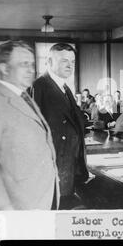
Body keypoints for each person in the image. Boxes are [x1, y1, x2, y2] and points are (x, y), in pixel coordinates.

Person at [0, 41, 59, 210]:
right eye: (24, 64)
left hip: (40, 199)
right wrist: (5, 213)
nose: (31, 70)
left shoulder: (23, 96)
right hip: (19, 208)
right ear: (4, 68)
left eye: (32, 64)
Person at [29, 43, 89, 209]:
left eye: (73, 61)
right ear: (49, 61)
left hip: (68, 168)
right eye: (64, 61)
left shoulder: (65, 88)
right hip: (52, 172)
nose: (70, 65)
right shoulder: (40, 86)